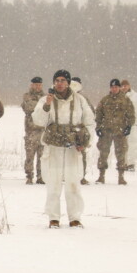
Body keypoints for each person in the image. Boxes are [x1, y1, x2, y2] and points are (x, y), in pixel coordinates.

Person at [32, 69, 94, 228]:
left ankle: (75, 218)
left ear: (68, 82)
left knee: (73, 183)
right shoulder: (46, 99)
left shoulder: (79, 100)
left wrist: (85, 140)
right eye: (57, 80)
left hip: (73, 147)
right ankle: (53, 218)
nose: (60, 83)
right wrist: (47, 104)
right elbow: (38, 120)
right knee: (53, 183)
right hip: (54, 147)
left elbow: (89, 122)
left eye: (63, 80)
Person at [94, 79, 135, 185]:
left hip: (120, 132)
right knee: (103, 153)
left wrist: (128, 126)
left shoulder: (125, 100)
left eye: (116, 87)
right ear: (110, 88)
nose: (114, 89)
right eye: (112, 87)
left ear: (119, 88)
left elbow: (131, 114)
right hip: (106, 131)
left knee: (121, 154)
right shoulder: (105, 100)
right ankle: (101, 176)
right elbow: (98, 114)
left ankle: (121, 177)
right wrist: (98, 127)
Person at [70, 77, 96, 185]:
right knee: (68, 154)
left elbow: (91, 116)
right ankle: (67, 176)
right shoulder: (66, 98)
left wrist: (87, 135)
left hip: (80, 132)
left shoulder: (83, 99)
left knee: (81, 156)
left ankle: (81, 177)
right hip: (68, 131)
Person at [21, 76, 46, 185]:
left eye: (40, 84)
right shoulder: (27, 96)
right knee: (30, 155)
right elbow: (30, 108)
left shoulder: (45, 97)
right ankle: (29, 176)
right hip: (31, 130)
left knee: (42, 156)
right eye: (36, 84)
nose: (38, 86)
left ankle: (41, 176)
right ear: (32, 85)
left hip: (43, 131)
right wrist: (42, 107)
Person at [121, 79, 137, 172]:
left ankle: (131, 164)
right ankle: (122, 163)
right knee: (122, 145)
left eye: (126, 85)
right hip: (121, 126)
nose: (124, 87)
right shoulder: (118, 96)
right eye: (122, 86)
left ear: (129, 86)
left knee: (133, 145)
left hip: (134, 125)